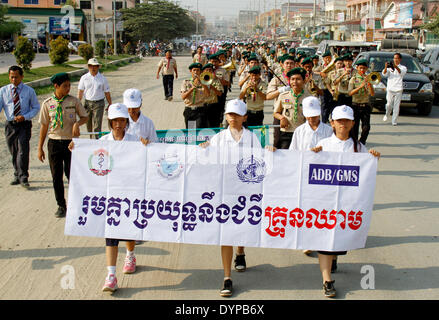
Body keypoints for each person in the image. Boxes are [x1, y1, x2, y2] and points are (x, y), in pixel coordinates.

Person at [68, 103, 150, 293]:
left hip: (129, 194)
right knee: (111, 233)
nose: (119, 124)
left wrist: (146, 146)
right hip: (110, 195)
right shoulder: (103, 141)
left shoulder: (134, 141)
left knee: (129, 231)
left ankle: (130, 254)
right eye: (116, 121)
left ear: (126, 122)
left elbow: (145, 160)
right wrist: (76, 148)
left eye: (122, 120)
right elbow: (91, 158)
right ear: (110, 123)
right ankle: (111, 275)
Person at [311, 105, 381, 298]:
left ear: (352, 123)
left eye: (346, 121)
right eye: (339, 120)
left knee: (338, 240)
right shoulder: (324, 144)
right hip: (325, 202)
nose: (342, 124)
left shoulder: (358, 147)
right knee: (324, 239)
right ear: (332, 123)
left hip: (346, 204)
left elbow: (366, 174)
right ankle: (327, 280)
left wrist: (373, 158)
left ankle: (333, 257)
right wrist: (313, 154)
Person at [199, 99, 263, 297]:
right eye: (230, 114)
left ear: (245, 117)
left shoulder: (253, 138)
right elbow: (206, 163)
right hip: (224, 192)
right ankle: (227, 277)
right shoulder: (218, 139)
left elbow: (260, 164)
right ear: (225, 116)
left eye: (237, 115)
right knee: (225, 232)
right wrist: (203, 150)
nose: (233, 118)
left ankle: (240, 252)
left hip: (245, 192)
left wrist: (269, 152)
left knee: (242, 226)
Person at [37, 72, 88, 218]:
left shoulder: (73, 101)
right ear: (56, 86)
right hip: (54, 143)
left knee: (72, 174)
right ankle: (61, 205)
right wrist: (40, 148)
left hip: (70, 143)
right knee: (56, 176)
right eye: (65, 86)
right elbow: (44, 127)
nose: (68, 88)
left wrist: (78, 123)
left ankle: (76, 203)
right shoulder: (47, 104)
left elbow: (85, 116)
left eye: (69, 85)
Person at [0, 65, 40, 188]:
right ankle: (17, 174)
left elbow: (36, 107)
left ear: (22, 77)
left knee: (23, 150)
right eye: (12, 77)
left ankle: (24, 177)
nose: (14, 80)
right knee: (14, 150)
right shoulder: (3, 91)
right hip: (10, 125)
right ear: (9, 76)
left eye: (16, 77)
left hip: (24, 124)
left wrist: (26, 116)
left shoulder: (29, 91)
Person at [273, 67, 311, 149]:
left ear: (304, 81)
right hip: (286, 133)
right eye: (292, 79)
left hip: (302, 133)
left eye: (298, 79)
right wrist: (282, 118)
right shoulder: (283, 96)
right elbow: (275, 112)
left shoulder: (309, 97)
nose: (295, 82)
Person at [78, 58, 112, 139]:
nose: (93, 68)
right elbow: (80, 91)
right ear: (88, 67)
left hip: (99, 103)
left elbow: (107, 92)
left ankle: (97, 141)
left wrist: (110, 104)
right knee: (88, 123)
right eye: (90, 66)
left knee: (97, 125)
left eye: (95, 66)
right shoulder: (84, 78)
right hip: (87, 103)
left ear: (98, 67)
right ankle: (91, 140)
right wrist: (78, 103)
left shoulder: (103, 78)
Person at [348, 59, 375, 145]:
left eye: (364, 68)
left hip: (365, 105)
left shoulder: (368, 78)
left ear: (366, 69)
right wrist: (360, 86)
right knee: (354, 127)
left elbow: (372, 93)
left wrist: (369, 84)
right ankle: (355, 144)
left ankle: (362, 142)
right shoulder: (353, 78)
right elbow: (350, 93)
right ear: (357, 68)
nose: (362, 70)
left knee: (366, 127)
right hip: (355, 105)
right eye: (360, 68)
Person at [181, 63, 210, 129]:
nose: (196, 72)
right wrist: (192, 89)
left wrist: (202, 82)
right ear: (191, 71)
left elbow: (208, 94)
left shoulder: (204, 82)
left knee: (198, 129)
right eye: (194, 70)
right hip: (189, 109)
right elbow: (183, 97)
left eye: (198, 70)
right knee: (191, 132)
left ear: (200, 72)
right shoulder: (186, 82)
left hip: (200, 110)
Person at [382, 52, 407, 126]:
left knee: (396, 106)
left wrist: (395, 66)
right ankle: (387, 114)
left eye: (397, 58)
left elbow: (401, 72)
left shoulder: (403, 67)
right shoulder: (390, 67)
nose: (395, 59)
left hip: (398, 89)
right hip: (390, 88)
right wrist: (386, 67)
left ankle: (394, 121)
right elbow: (384, 74)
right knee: (389, 104)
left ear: (400, 59)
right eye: (394, 58)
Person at [201, 63, 224, 128]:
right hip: (202, 106)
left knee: (213, 126)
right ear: (203, 71)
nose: (208, 71)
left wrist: (212, 87)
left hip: (213, 105)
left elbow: (220, 94)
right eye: (206, 70)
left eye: (210, 70)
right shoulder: (199, 80)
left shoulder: (216, 80)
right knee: (202, 126)